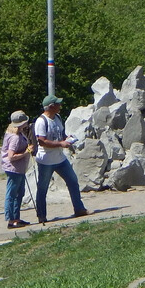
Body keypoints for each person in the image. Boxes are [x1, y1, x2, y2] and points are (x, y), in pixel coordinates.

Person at [33, 94, 88, 223]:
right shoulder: (41, 121)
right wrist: (60, 144)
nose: (60, 106)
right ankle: (41, 216)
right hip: (46, 160)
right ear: (51, 106)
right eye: (58, 104)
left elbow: (61, 134)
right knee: (42, 188)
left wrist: (67, 139)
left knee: (73, 181)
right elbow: (42, 141)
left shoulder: (57, 117)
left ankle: (79, 209)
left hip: (60, 158)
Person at [1, 110, 34, 229]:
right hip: (13, 169)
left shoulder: (18, 133)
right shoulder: (15, 137)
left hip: (19, 169)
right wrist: (26, 152)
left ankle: (16, 218)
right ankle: (11, 220)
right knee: (12, 194)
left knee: (19, 193)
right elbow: (11, 156)